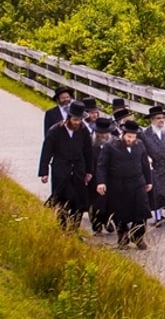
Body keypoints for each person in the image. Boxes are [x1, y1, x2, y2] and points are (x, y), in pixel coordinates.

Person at [95, 121, 153, 249]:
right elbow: (102, 166)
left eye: (133, 137)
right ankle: (123, 238)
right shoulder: (110, 146)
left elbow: (145, 164)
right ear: (123, 134)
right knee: (120, 214)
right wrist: (101, 182)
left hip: (137, 183)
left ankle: (138, 237)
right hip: (118, 184)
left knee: (142, 212)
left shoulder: (140, 145)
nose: (131, 140)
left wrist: (149, 181)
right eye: (129, 137)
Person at [38, 101, 93, 230]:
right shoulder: (55, 131)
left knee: (78, 201)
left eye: (79, 120)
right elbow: (47, 151)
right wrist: (44, 172)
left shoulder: (83, 131)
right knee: (62, 200)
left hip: (78, 170)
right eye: (75, 119)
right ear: (68, 117)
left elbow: (88, 152)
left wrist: (89, 171)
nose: (77, 122)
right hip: (61, 169)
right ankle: (62, 227)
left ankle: (74, 230)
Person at [88, 116, 116, 235]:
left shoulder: (115, 142)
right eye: (100, 133)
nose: (103, 136)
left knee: (110, 201)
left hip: (110, 176)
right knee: (96, 202)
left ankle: (107, 220)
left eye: (105, 133)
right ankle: (97, 224)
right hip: (93, 176)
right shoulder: (90, 142)